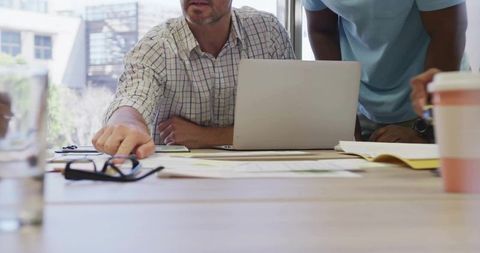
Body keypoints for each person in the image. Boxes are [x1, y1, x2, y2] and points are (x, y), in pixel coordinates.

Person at [92, 0, 295, 158]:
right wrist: (128, 124)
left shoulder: (267, 33)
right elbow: (132, 97)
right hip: (172, 189)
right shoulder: (155, 46)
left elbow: (291, 122)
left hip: (257, 181)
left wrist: (207, 137)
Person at [303, 0, 468, 143]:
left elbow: (448, 29)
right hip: (364, 108)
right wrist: (343, 113)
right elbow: (322, 30)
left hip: (433, 108)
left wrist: (425, 128)